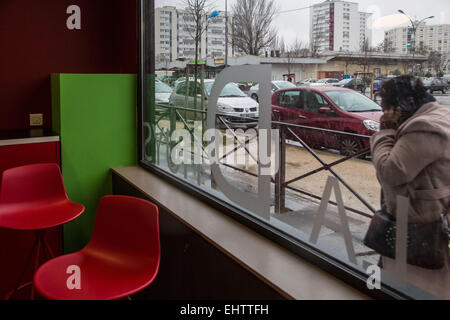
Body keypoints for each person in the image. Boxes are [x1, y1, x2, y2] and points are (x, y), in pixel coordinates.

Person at [371, 75, 450, 298]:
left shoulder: (423, 125)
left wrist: (385, 131)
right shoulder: (440, 114)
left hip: (419, 229)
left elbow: (390, 170)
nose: (385, 113)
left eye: (387, 108)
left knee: (410, 287)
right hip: (427, 223)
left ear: (402, 105)